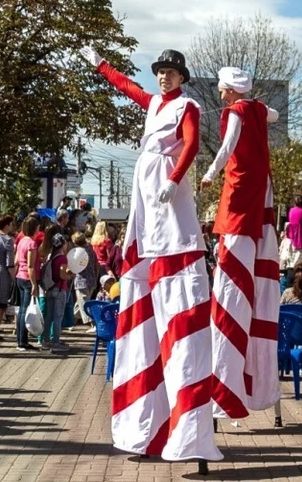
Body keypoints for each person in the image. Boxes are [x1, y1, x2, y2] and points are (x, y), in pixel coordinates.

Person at [81, 44, 221, 462]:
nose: (164, 78)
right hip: (145, 197)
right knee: (141, 255)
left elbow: (193, 145)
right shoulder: (155, 102)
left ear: (182, 77)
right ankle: (143, 429)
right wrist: (101, 65)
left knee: (172, 249)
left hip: (168, 195)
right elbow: (128, 88)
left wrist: (176, 179)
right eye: (161, 72)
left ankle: (184, 432)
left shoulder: (188, 107)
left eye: (171, 73)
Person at [198, 66, 282, 421]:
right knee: (254, 282)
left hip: (239, 201)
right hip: (260, 199)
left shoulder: (236, 112)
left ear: (231, 91)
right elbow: (272, 113)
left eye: (222, 90)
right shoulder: (259, 110)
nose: (220, 96)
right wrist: (258, 104)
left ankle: (226, 389)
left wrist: (208, 174)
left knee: (232, 290)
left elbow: (228, 145)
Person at [38, 233, 72, 353]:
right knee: (58, 317)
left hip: (50, 289)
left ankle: (45, 341)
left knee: (49, 317)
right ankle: (56, 342)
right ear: (62, 244)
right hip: (59, 289)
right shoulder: (62, 258)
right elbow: (63, 275)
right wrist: (70, 275)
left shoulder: (52, 257)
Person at [15, 216, 40, 351]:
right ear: (35, 228)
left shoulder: (22, 241)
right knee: (25, 311)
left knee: (21, 311)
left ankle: (20, 339)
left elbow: (18, 260)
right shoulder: (32, 243)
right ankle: (22, 341)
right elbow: (30, 265)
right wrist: (34, 283)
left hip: (19, 276)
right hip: (27, 278)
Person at [71, 231, 100, 332]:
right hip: (91, 280)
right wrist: (95, 278)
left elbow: (74, 267)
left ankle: (93, 324)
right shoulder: (91, 250)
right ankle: (72, 320)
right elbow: (97, 265)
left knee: (84, 304)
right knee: (80, 303)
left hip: (81, 281)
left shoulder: (78, 253)